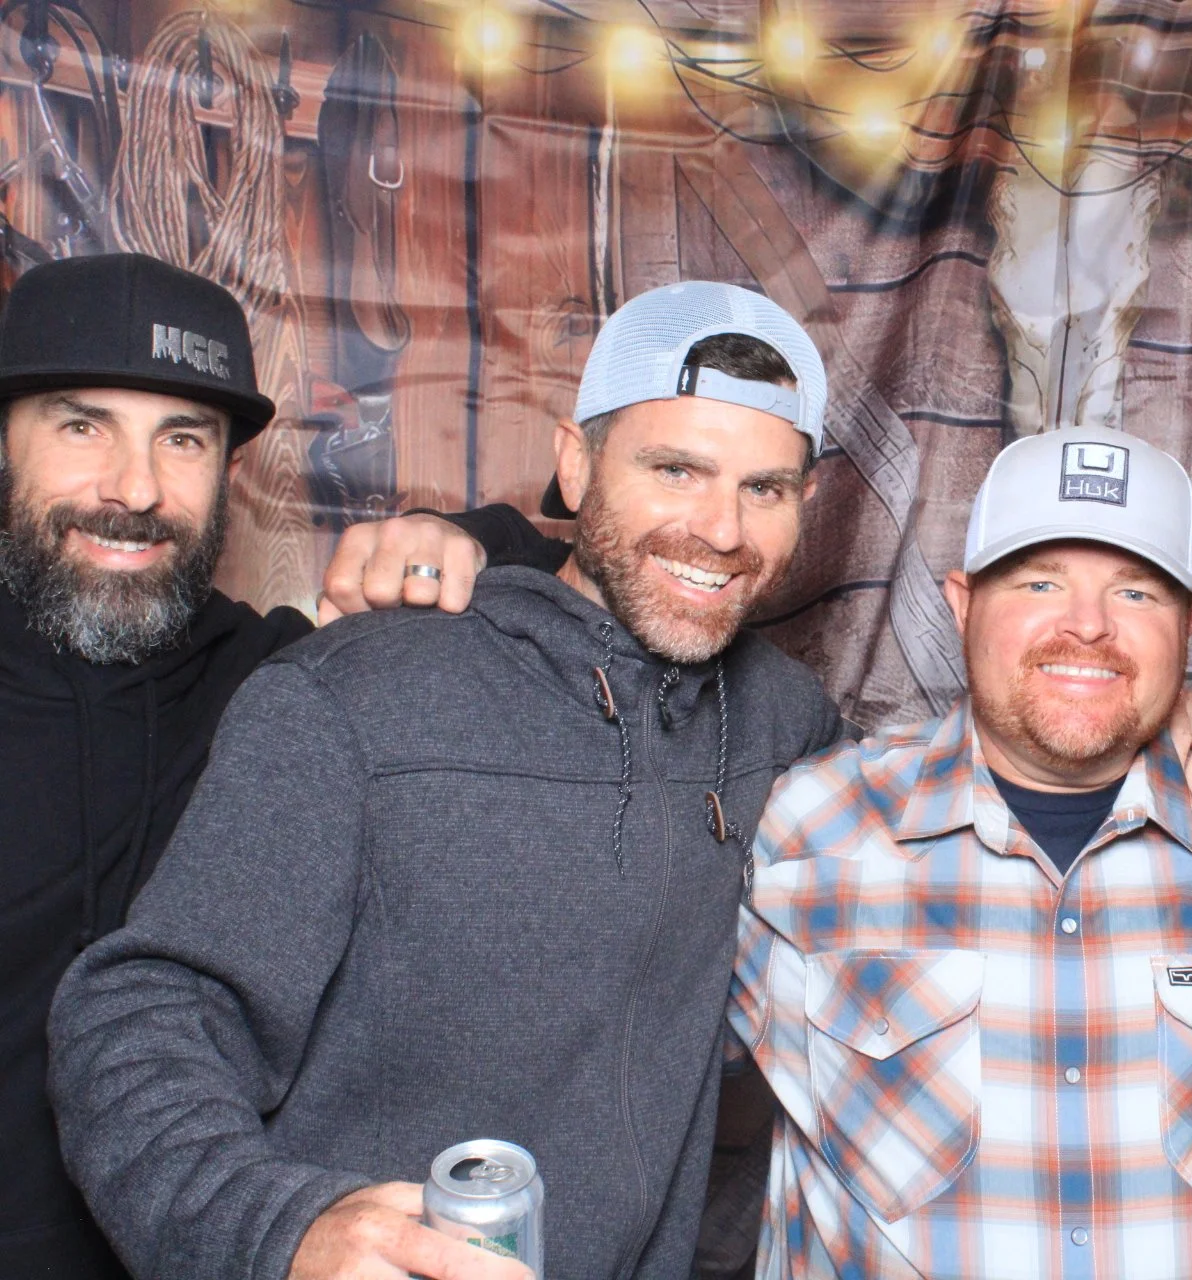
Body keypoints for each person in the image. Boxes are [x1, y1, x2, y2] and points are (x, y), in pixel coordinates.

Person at [46, 280, 855, 1280]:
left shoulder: (786, 721)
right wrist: (278, 1228)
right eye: (676, 469)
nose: (721, 530)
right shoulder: (357, 693)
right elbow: (143, 1017)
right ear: (576, 462)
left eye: (764, 488)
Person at [0, 252, 554, 1279]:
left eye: (182, 438)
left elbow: (573, 566)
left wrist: (460, 536)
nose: (134, 489)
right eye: (82, 427)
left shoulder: (277, 684)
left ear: (228, 470)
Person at [728, 426, 1192, 1278]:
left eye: (1136, 593)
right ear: (962, 603)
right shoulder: (811, 824)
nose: (1088, 626)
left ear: (1191, 626)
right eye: (1040, 582)